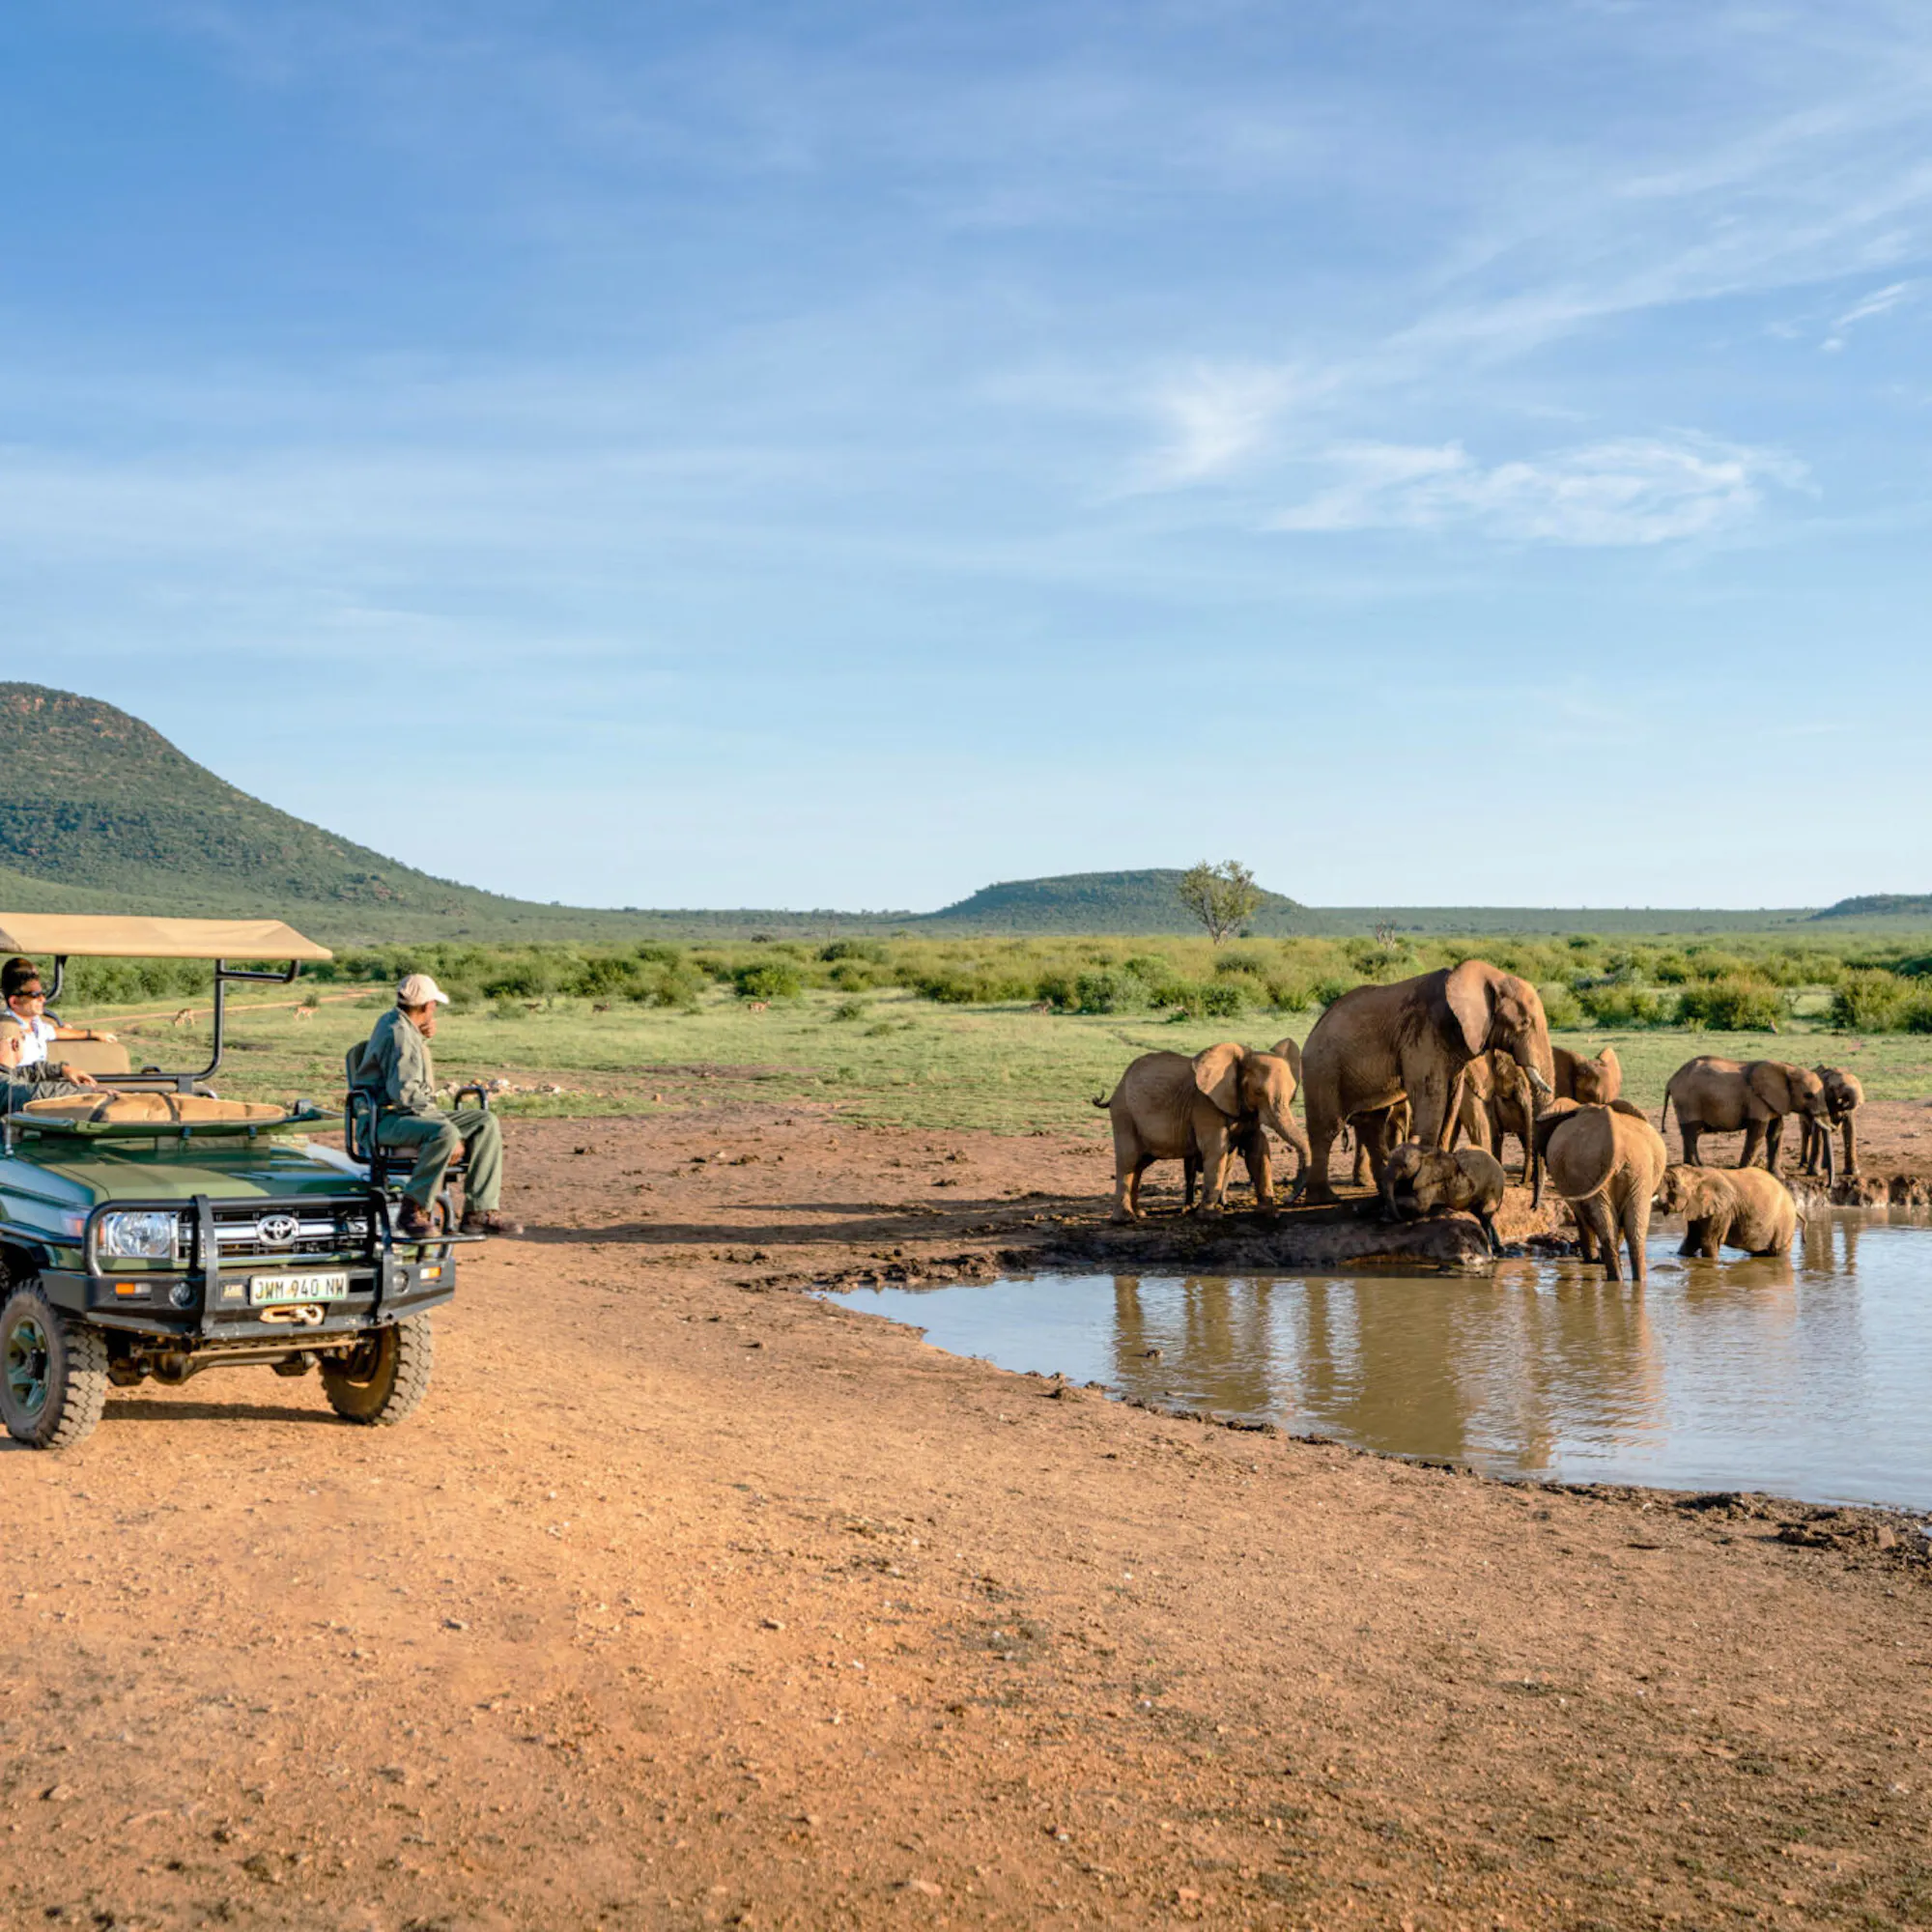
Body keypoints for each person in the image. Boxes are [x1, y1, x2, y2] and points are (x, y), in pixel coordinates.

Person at [356, 973, 522, 1238]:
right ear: (427, 1006)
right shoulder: (401, 1035)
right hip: (384, 1119)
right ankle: (413, 1209)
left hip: (402, 1114)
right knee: (445, 1133)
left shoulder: (397, 1022)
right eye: (433, 1005)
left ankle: (479, 1211)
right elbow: (406, 1095)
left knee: (485, 1122)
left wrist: (422, 1035)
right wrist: (445, 1127)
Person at [2, 957, 116, 1071]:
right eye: (35, 995)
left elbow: (55, 1032)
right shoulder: (6, 1031)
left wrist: (92, 1033)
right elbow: (7, 1078)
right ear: (14, 1002)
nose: (43, 999)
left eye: (42, 993)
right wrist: (61, 1070)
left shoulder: (36, 1024)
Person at [0, 1017, 95, 1109]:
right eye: (23, 1037)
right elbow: (32, 1092)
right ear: (15, 1044)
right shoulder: (6, 1088)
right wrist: (89, 1092)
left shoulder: (6, 1073)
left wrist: (61, 1070)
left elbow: (26, 1072)